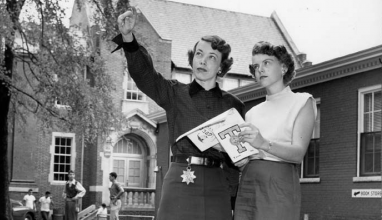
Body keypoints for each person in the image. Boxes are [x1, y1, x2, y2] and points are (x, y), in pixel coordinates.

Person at [114, 8, 244, 220]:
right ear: (192, 59)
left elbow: (234, 162)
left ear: (221, 67)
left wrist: (232, 201)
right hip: (180, 180)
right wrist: (128, 39)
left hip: (217, 186)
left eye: (212, 57)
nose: (203, 61)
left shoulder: (234, 106)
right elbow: (145, 75)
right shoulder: (174, 92)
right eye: (199, 54)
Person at [233, 41, 317, 220]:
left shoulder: (302, 102)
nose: (260, 69)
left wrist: (263, 143)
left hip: (279, 184)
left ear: (284, 67)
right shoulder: (252, 113)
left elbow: (298, 153)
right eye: (256, 66)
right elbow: (248, 158)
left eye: (267, 63)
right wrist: (236, 153)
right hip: (248, 183)